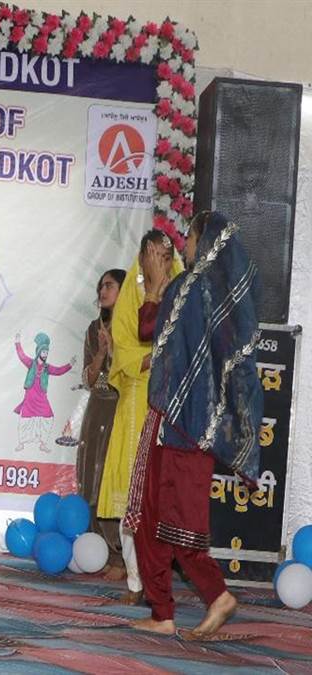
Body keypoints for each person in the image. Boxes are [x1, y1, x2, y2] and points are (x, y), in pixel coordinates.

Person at [125, 211, 261, 637]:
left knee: (169, 520)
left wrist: (153, 285)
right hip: (196, 425)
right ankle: (162, 613)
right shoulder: (221, 295)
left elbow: (149, 328)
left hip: (177, 424)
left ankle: (214, 596)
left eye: (189, 237)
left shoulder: (190, 286)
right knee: (158, 518)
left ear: (205, 241)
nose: (184, 245)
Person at [97, 230, 182, 602]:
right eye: (153, 256)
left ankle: (157, 578)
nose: (159, 263)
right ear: (142, 257)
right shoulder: (133, 293)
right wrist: (152, 358)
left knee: (164, 498)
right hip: (136, 403)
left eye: (165, 256)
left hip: (173, 403)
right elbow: (126, 348)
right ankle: (135, 581)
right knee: (131, 497)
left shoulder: (181, 290)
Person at [76, 268, 128, 575]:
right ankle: (96, 548)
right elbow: (89, 379)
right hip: (97, 408)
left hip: (121, 409)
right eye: (100, 286)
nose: (102, 291)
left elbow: (132, 370)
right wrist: (101, 352)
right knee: (91, 475)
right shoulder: (93, 329)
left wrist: (117, 346)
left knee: (114, 478)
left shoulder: (135, 327)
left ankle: (119, 555)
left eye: (109, 285)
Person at [12, 332, 75, 452]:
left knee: (48, 418)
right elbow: (22, 356)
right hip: (30, 398)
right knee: (25, 420)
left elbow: (58, 371)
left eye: (47, 353)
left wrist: (69, 365)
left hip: (41, 399)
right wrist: (17, 342)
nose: (45, 355)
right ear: (38, 352)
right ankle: (21, 443)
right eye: (44, 352)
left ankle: (43, 443)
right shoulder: (31, 364)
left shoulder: (47, 368)